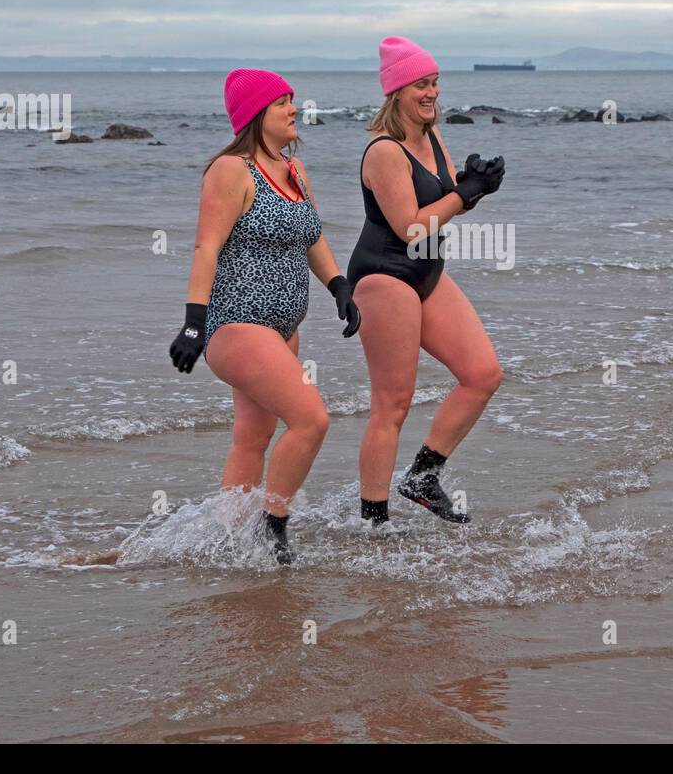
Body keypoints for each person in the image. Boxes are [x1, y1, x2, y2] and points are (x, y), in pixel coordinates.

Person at [168, 69, 360, 565]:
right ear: (256, 115)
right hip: (236, 325)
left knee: (253, 437)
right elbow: (205, 247)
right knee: (311, 420)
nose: (294, 109)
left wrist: (338, 286)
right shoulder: (231, 170)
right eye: (282, 103)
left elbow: (312, 235)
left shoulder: (294, 170)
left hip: (283, 329)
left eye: (292, 100)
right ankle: (273, 528)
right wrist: (193, 323)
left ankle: (229, 541)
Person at [346, 36, 505, 528]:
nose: (432, 92)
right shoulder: (384, 151)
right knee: (392, 405)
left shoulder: (432, 135)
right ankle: (373, 522)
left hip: (427, 273)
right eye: (421, 84)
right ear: (397, 92)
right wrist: (465, 196)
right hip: (384, 277)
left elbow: (443, 204)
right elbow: (411, 227)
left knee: (482, 375)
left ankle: (422, 477)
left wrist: (473, 187)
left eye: (435, 82)